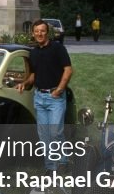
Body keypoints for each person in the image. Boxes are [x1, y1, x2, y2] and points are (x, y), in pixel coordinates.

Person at [17, 19, 74, 170]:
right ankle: (50, 167)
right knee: (44, 136)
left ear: (47, 32)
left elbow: (68, 70)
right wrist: (24, 83)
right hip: (39, 98)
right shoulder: (34, 53)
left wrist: (59, 90)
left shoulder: (57, 48)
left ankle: (63, 161)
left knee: (55, 132)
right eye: (37, 31)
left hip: (55, 97)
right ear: (33, 33)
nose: (39, 34)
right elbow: (35, 74)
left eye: (42, 31)